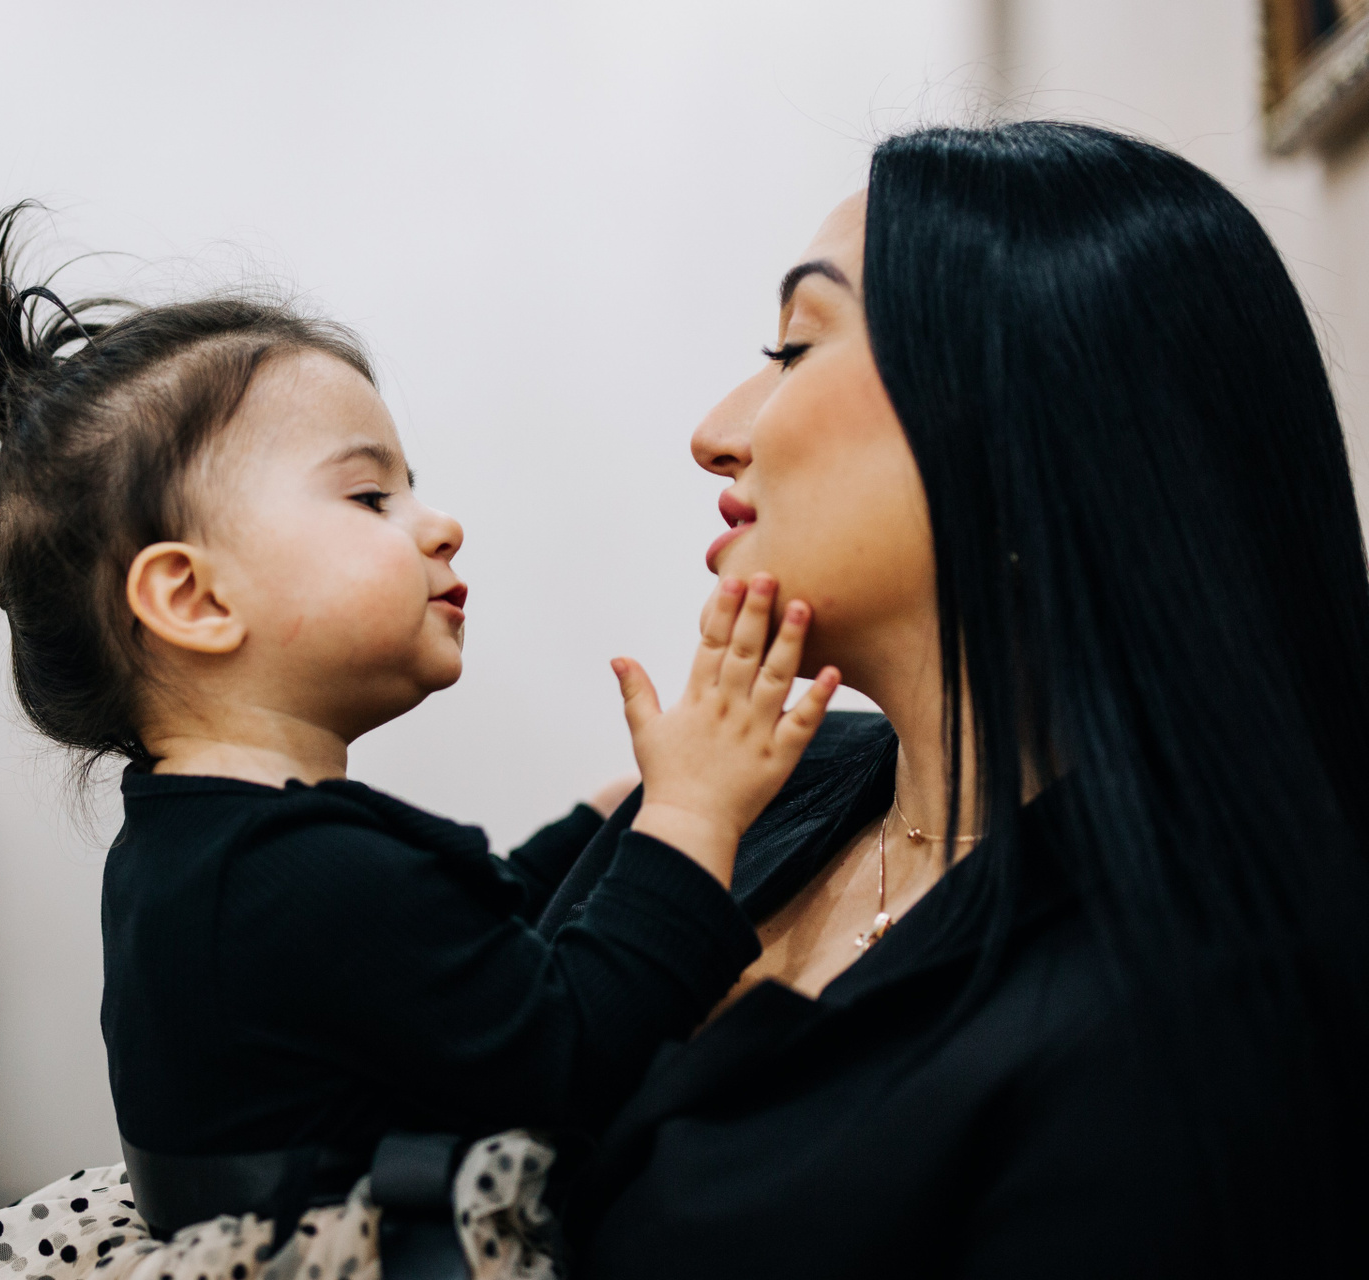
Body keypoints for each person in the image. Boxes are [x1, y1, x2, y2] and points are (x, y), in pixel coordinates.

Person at [0, 205, 840, 1280]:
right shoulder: (300, 873)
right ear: (194, 597)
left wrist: (613, 814)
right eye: (371, 496)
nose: (438, 524)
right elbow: (570, 1048)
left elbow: (461, 957)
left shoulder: (202, 850)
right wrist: (692, 817)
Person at [553, 120, 1369, 1276]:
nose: (715, 434)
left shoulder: (1187, 1026)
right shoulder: (720, 792)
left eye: (794, 348)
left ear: (1025, 432)